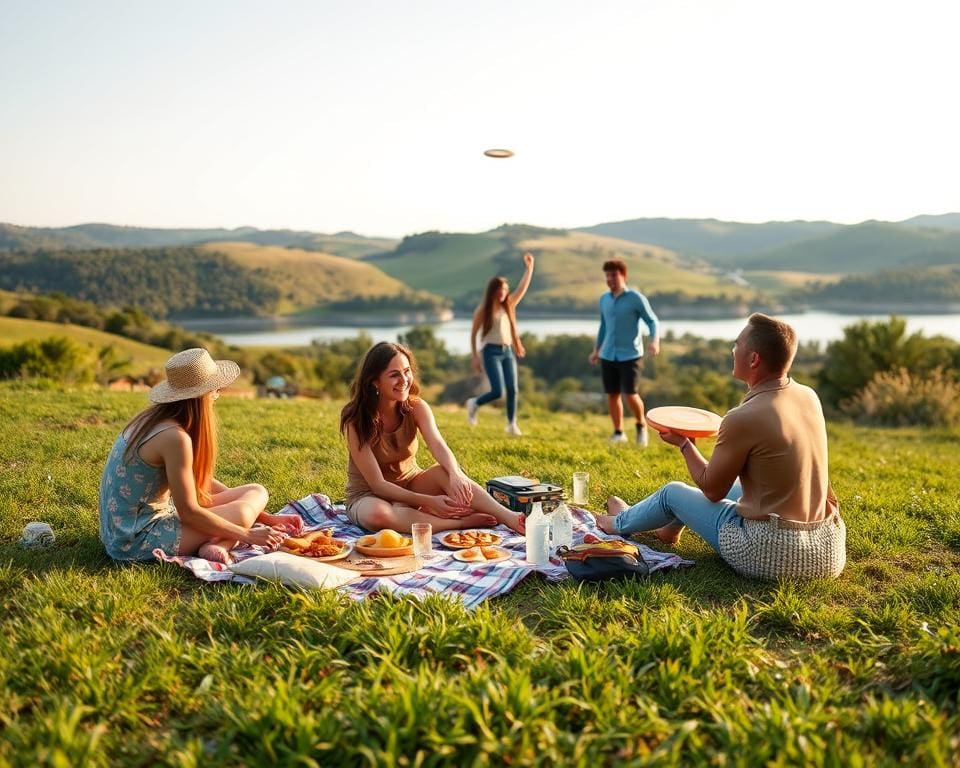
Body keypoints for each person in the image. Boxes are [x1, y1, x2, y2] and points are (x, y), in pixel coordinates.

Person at [596, 313, 846, 580]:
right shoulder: (808, 396)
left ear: (753, 359)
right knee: (737, 486)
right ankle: (668, 528)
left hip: (771, 552)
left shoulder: (742, 417)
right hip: (825, 550)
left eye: (737, 345)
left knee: (673, 493)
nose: (733, 349)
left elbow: (712, 490)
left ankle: (618, 523)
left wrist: (684, 444)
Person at [99, 348, 301, 564]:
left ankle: (218, 543)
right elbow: (189, 513)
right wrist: (248, 534)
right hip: (135, 540)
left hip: (119, 531)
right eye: (215, 389)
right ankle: (219, 542)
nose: (217, 395)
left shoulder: (151, 420)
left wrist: (265, 517)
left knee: (256, 491)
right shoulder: (174, 438)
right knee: (242, 513)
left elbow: (193, 480)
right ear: (202, 395)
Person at [341, 341, 525, 534]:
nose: (404, 380)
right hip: (368, 495)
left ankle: (511, 518)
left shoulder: (416, 407)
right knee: (377, 515)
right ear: (375, 381)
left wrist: (456, 475)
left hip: (411, 484)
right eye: (394, 375)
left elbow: (438, 445)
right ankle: (458, 523)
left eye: (406, 371)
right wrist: (430, 502)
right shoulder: (356, 418)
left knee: (445, 472)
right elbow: (378, 485)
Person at [588, 258, 660, 446]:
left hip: (631, 355)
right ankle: (619, 432)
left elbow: (652, 321)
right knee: (612, 394)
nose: (610, 279)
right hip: (608, 355)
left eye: (613, 275)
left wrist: (654, 341)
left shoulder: (635, 298)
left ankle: (641, 425)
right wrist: (596, 350)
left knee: (630, 393)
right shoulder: (604, 299)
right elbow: (604, 326)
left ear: (623, 275)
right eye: (607, 276)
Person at [466, 251, 535, 436]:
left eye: (506, 289)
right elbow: (473, 334)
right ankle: (474, 403)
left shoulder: (509, 305)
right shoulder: (482, 310)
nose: (504, 293)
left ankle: (512, 424)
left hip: (507, 351)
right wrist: (475, 356)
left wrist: (529, 268)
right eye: (501, 289)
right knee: (497, 391)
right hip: (490, 351)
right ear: (493, 290)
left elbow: (522, 288)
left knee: (513, 389)